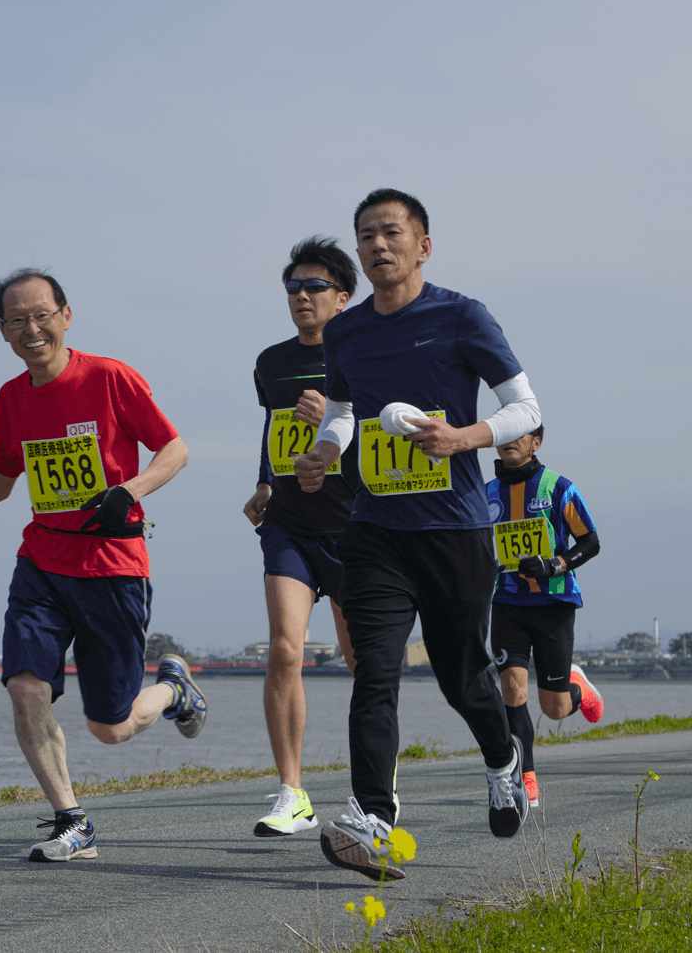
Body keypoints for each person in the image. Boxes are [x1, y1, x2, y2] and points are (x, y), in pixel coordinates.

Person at [0, 269, 203, 863]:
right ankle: (73, 823)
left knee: (110, 727)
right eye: (16, 320)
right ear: (2, 332)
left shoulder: (111, 378)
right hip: (41, 560)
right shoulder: (12, 398)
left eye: (41, 314)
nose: (31, 329)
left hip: (113, 567)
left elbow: (176, 448)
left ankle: (173, 691)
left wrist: (132, 489)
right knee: (24, 688)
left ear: (67, 316)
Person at [294, 188, 542, 881]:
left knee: (464, 675)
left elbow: (526, 407)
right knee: (374, 667)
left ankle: (502, 760)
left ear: (422, 245)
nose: (377, 245)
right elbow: (345, 409)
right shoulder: (345, 332)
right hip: (376, 530)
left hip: (455, 529)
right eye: (366, 234)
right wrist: (326, 448)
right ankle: (373, 816)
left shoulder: (462, 316)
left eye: (391, 232)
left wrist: (466, 434)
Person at [243, 237, 360, 838]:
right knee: (285, 649)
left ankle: (374, 791)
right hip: (289, 520)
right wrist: (264, 483)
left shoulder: (369, 354)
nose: (301, 297)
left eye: (314, 287)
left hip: (356, 524)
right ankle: (292, 791)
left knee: (359, 659)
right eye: (292, 287)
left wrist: (341, 423)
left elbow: (399, 435)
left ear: (343, 296)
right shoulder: (271, 361)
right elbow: (271, 425)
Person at [485, 425, 605, 810]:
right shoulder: (485, 493)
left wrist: (555, 564)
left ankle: (580, 690)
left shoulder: (558, 487)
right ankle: (527, 776)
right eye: (503, 433)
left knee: (553, 709)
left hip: (554, 605)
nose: (509, 440)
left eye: (519, 434)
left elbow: (591, 542)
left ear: (536, 443)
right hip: (507, 605)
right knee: (513, 692)